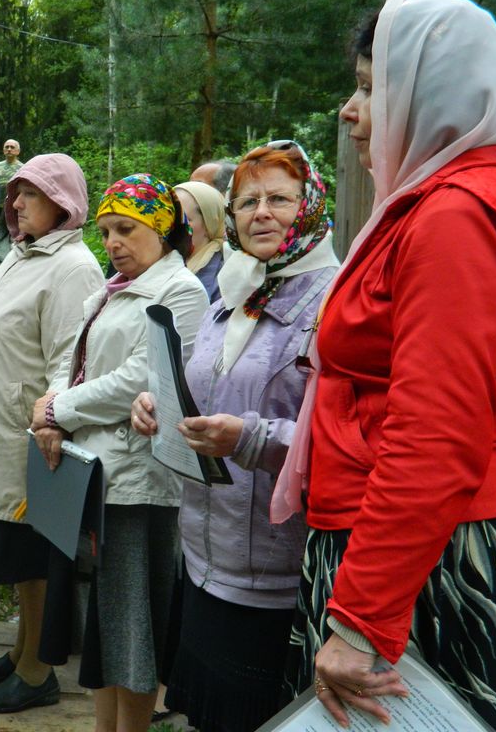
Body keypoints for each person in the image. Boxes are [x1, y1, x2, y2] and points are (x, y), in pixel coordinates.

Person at [274, 0, 496, 731]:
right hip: (405, 547)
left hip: (425, 565)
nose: (350, 109)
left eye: (372, 88)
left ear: (431, 91)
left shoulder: (454, 217)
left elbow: (436, 434)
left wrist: (360, 621)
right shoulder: (433, 203)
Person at [131, 140, 338, 732]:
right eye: (247, 202)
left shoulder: (333, 299)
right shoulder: (235, 291)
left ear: (312, 208)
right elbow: (206, 385)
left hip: (275, 573)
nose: (261, 213)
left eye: (279, 199)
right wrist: (156, 401)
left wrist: (250, 439)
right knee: (204, 713)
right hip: (202, 554)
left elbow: (346, 434)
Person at [33, 174, 209, 732]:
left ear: (162, 230)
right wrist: (56, 413)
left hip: (140, 480)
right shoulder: (110, 290)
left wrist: (59, 409)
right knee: (108, 625)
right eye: (106, 231)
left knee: (134, 626)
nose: (112, 243)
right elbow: (78, 364)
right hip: (97, 474)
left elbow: (143, 376)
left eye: (127, 230)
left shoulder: (180, 292)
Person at [0, 153, 104, 714]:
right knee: (10, 554)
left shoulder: (73, 266)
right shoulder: (23, 255)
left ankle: (38, 672)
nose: (15, 204)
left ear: (63, 201)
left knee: (32, 558)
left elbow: (70, 359)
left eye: (29, 194)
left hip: (32, 436)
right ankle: (19, 650)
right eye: (13, 194)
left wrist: (51, 418)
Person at [175, 181, 226, 302]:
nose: (172, 226)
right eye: (168, 217)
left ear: (209, 224)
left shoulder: (223, 277)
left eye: (183, 219)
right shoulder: (154, 263)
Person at [0, 139, 24, 264]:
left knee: (12, 232)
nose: (9, 149)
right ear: (3, 150)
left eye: (12, 147)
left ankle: (12, 256)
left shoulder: (23, 167)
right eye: (6, 147)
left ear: (17, 151)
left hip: (13, 207)